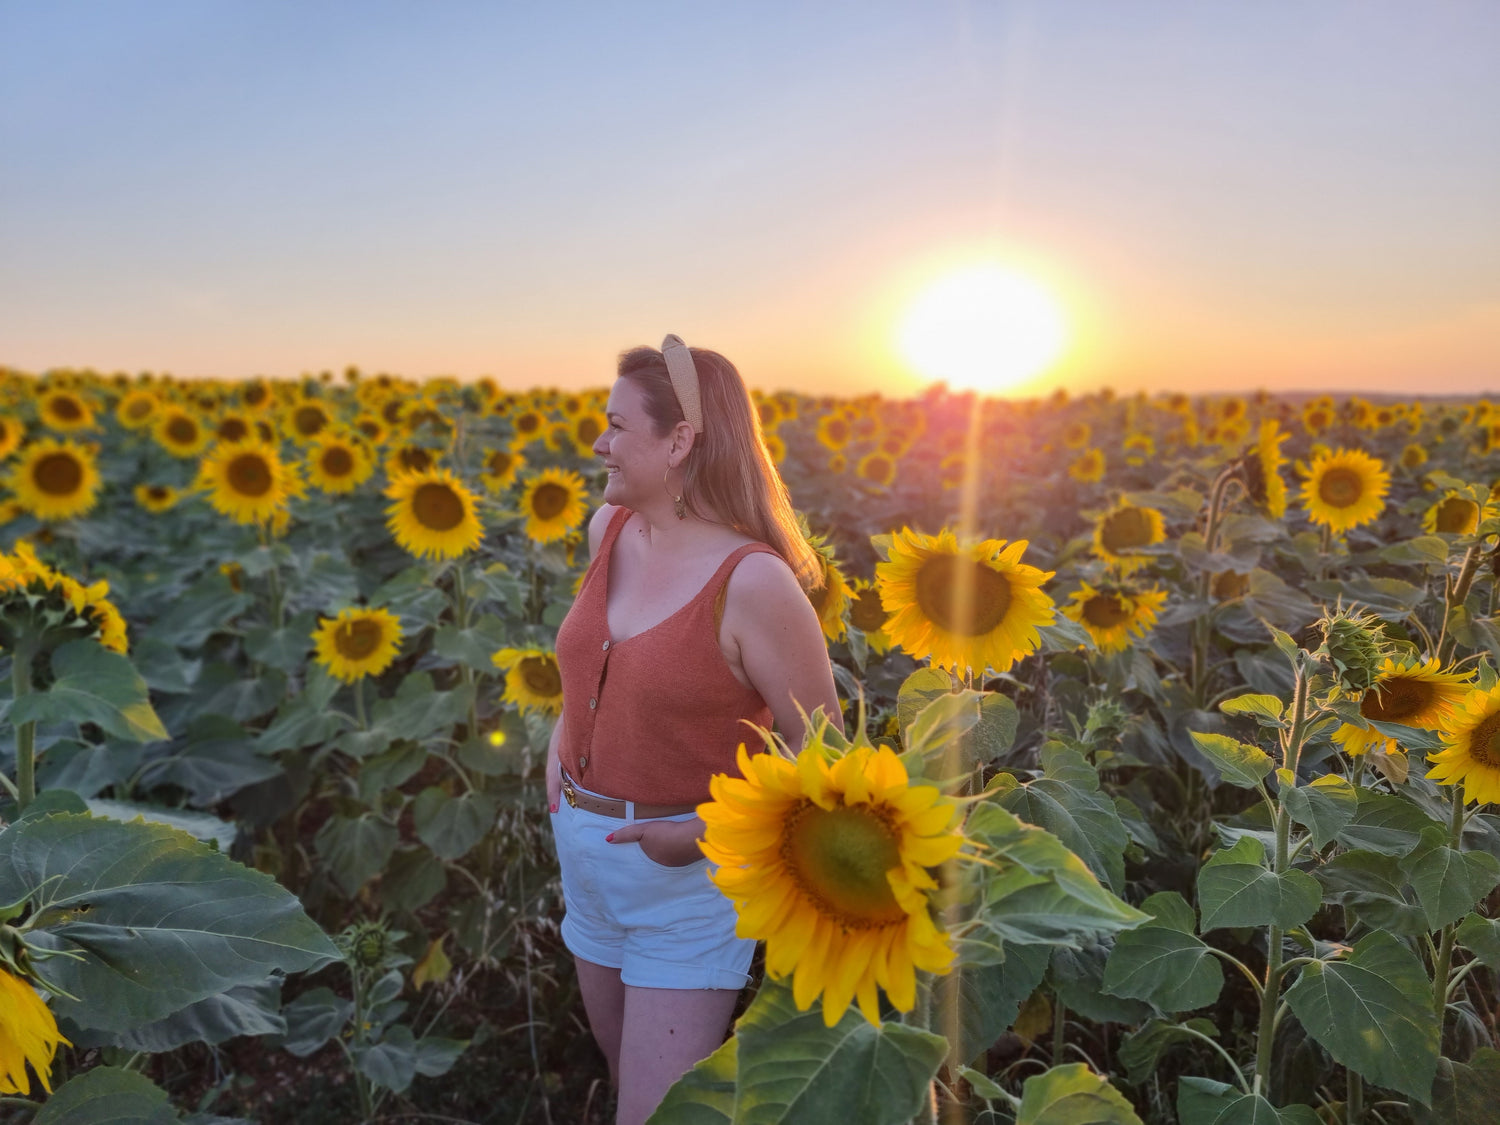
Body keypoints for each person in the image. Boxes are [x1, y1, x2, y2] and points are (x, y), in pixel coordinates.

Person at [545, 336, 841, 1125]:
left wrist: (707, 832)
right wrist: (558, 759)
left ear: (679, 441)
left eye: (616, 425)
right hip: (586, 850)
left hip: (687, 878)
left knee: (660, 1114)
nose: (599, 443)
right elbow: (586, 661)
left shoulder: (754, 582)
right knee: (622, 1078)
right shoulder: (605, 530)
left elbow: (825, 755)